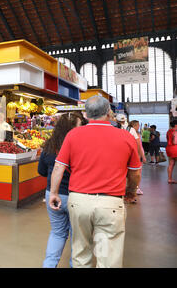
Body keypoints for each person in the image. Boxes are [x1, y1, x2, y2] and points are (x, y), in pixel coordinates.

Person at [48, 95, 142, 268]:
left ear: (86, 115)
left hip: (79, 202)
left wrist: (53, 193)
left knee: (80, 253)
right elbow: (135, 172)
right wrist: (132, 190)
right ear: (108, 113)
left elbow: (58, 167)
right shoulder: (125, 137)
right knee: (108, 257)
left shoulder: (73, 135)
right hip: (111, 203)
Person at [38, 112, 84, 268]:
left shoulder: (49, 145)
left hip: (53, 194)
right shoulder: (81, 146)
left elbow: (42, 171)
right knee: (76, 236)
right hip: (75, 196)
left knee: (57, 233)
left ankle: (48, 265)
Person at [127, 120, 146, 198]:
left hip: (129, 154)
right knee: (137, 173)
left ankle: (130, 188)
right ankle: (136, 188)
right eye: (138, 125)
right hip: (136, 155)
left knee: (129, 173)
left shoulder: (127, 131)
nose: (138, 127)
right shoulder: (135, 133)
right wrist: (142, 156)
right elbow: (139, 146)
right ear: (135, 125)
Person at [166, 120, 177, 184]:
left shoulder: (168, 131)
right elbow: (175, 142)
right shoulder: (175, 132)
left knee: (171, 164)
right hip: (175, 149)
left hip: (169, 148)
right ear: (176, 125)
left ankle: (169, 179)